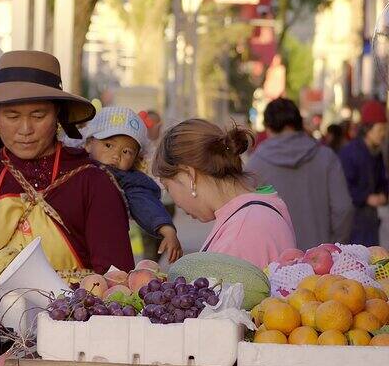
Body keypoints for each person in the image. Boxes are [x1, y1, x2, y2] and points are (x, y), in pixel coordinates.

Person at [0, 50, 134, 278]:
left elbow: (117, 282)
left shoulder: (93, 182)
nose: (25, 129)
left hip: (73, 312)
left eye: (38, 116)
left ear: (57, 116)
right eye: (12, 117)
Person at [153, 119, 296, 269]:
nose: (174, 200)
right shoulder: (253, 213)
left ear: (189, 175)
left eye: (167, 187)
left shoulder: (242, 232)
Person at [246, 98, 353, 250]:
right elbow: (343, 208)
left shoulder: (256, 164)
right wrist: (335, 246)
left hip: (275, 263)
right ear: (299, 124)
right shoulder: (326, 157)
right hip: (323, 262)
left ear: (268, 128)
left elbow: (247, 218)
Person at [78, 107, 183, 262]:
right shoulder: (74, 168)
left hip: (106, 250)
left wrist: (167, 229)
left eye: (126, 152)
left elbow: (145, 203)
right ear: (88, 143)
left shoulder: (127, 180)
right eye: (108, 145)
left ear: (136, 158)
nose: (116, 155)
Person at [339, 100, 389, 246]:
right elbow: (344, 187)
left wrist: (383, 195)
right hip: (353, 223)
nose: (383, 134)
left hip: (371, 221)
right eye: (380, 129)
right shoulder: (350, 153)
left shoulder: (377, 153)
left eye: (385, 129)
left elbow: (383, 181)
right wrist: (366, 198)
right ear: (368, 129)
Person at [138, 109, 177, 261]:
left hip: (166, 202)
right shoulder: (139, 148)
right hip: (147, 203)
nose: (150, 127)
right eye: (147, 124)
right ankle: (148, 271)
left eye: (154, 124)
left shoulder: (166, 147)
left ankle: (152, 268)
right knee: (148, 245)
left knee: (160, 245)